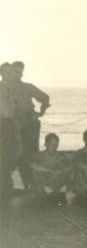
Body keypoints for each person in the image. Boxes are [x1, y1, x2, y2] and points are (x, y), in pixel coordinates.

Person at [11, 61, 50, 190]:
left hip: (29, 123)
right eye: (16, 71)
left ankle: (31, 184)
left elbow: (45, 97)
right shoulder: (4, 87)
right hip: (11, 125)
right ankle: (23, 184)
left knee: (32, 154)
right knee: (16, 154)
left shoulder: (27, 87)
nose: (19, 74)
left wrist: (40, 112)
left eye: (21, 71)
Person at [30, 133, 73, 205]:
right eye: (51, 143)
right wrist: (48, 170)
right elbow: (32, 164)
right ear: (46, 144)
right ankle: (49, 193)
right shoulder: (40, 155)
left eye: (56, 144)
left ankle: (62, 193)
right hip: (45, 182)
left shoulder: (61, 155)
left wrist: (61, 171)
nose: (54, 146)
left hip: (58, 182)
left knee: (66, 168)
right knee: (36, 171)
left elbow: (71, 166)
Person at [0, 63, 21, 211]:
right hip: (2, 124)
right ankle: (5, 190)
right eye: (6, 72)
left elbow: (13, 109)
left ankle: (6, 188)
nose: (9, 74)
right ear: (1, 73)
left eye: (11, 72)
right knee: (4, 157)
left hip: (10, 124)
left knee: (11, 156)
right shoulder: (2, 88)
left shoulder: (11, 88)